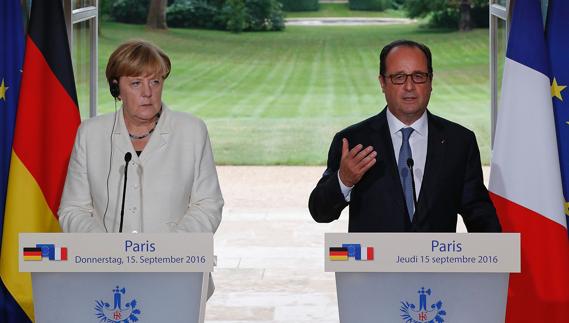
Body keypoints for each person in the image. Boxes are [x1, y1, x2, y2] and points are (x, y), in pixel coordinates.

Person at [308, 39, 501, 233]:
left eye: (418, 76)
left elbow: (479, 214)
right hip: (374, 263)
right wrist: (344, 180)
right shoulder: (353, 141)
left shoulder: (459, 142)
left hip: (436, 262)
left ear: (430, 81)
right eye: (399, 77)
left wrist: (497, 256)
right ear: (382, 83)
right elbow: (320, 212)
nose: (409, 86)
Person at [59, 39, 223, 235]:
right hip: (107, 263)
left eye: (155, 82)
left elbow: (208, 205)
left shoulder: (191, 131)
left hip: (173, 262)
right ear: (116, 89)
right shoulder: (90, 134)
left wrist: (166, 250)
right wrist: (106, 250)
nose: (148, 93)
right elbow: (73, 210)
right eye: (136, 83)